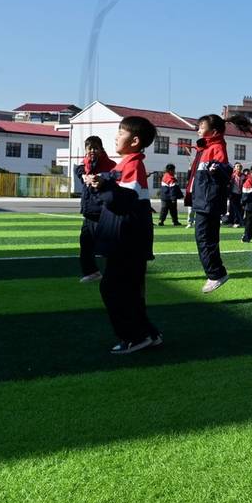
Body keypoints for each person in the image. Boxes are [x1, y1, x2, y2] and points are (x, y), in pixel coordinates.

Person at [84, 116, 161, 354]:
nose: (116, 136)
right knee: (130, 291)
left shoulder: (133, 165)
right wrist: (97, 182)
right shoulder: (126, 164)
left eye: (120, 132)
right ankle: (147, 333)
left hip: (127, 242)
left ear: (135, 140)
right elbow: (111, 188)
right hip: (126, 240)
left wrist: (102, 186)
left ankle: (134, 337)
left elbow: (122, 202)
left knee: (113, 289)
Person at [185, 113, 252, 293]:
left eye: (201, 126)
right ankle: (215, 273)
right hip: (204, 200)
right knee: (205, 238)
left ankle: (216, 274)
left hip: (209, 201)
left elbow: (225, 173)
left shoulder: (217, 147)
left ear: (213, 131)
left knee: (205, 239)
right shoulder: (207, 147)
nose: (198, 129)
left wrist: (217, 169)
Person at [74, 136, 116, 282]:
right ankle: (91, 272)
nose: (92, 151)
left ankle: (115, 273)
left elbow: (113, 175)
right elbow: (79, 170)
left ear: (101, 149)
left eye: (95, 147)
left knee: (107, 247)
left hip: (102, 211)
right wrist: (84, 175)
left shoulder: (108, 164)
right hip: (89, 211)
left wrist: (100, 178)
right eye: (89, 148)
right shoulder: (86, 165)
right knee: (85, 245)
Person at [226, 163, 245, 227]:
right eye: (237, 166)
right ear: (235, 168)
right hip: (233, 194)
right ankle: (231, 222)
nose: (238, 168)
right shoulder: (232, 176)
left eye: (240, 166)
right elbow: (229, 185)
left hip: (240, 194)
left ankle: (238, 222)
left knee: (240, 209)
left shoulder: (243, 176)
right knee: (232, 208)